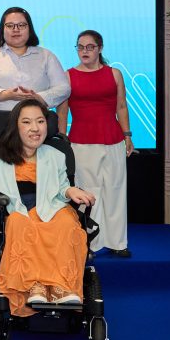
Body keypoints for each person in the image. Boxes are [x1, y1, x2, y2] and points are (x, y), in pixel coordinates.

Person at [0, 99, 95, 316]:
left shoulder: (56, 155)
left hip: (52, 207)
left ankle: (62, 288)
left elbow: (62, 188)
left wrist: (71, 191)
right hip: (19, 209)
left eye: (40, 121)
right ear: (16, 126)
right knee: (20, 224)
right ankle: (35, 286)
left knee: (67, 223)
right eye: (27, 122)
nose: (35, 128)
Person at [0, 7, 69, 258]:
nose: (15, 30)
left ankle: (41, 232)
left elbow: (63, 88)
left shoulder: (46, 56)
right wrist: (6, 95)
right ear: (2, 29)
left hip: (37, 135)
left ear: (29, 28)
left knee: (36, 188)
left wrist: (37, 99)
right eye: (10, 25)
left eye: (21, 25)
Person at [57, 30, 134, 258]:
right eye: (80, 47)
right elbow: (62, 113)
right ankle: (89, 242)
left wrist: (127, 136)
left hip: (114, 140)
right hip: (80, 142)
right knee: (87, 193)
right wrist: (62, 142)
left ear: (100, 48)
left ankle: (118, 242)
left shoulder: (115, 74)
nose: (84, 51)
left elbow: (121, 107)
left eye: (89, 47)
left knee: (116, 190)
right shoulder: (68, 75)